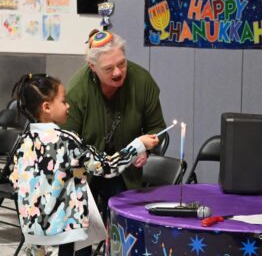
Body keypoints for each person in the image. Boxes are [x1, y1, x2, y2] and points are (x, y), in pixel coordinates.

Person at [9, 73, 159, 256]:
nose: (68, 106)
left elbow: (16, 181)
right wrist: (139, 145)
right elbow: (107, 166)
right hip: (65, 233)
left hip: (34, 231)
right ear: (47, 107)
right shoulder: (66, 140)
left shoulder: (23, 142)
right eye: (64, 101)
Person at [62, 29, 166, 222]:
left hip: (125, 171)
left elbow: (159, 129)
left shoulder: (142, 81)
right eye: (109, 68)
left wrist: (146, 150)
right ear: (92, 66)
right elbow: (67, 144)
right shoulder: (77, 90)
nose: (118, 72)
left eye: (122, 64)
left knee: (124, 228)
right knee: (82, 236)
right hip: (84, 172)